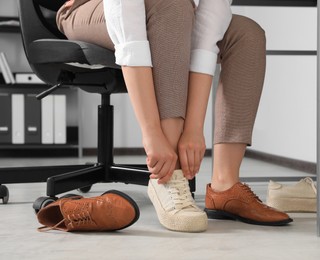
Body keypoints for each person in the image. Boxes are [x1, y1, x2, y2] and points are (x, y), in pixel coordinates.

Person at [56, 0, 292, 232]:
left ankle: (225, 186)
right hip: (89, 9)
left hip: (171, 10)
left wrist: (193, 128)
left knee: (245, 33)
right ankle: (167, 177)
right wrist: (152, 134)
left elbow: (212, 16)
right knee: (172, 5)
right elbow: (125, 14)